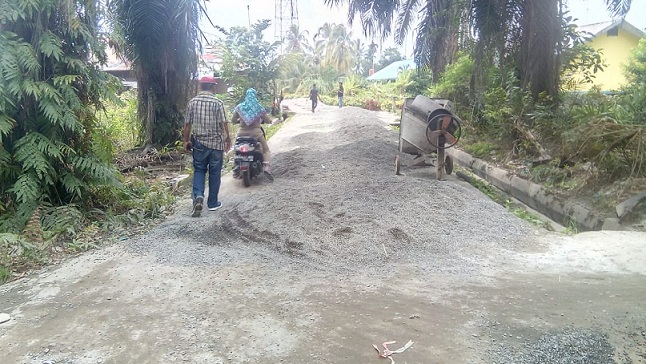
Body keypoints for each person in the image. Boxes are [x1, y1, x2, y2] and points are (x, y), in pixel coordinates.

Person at [183, 76, 231, 217]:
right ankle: (212, 203)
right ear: (213, 87)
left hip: (198, 143)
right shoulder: (218, 102)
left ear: (200, 87)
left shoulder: (192, 102)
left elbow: (187, 125)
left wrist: (186, 140)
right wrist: (228, 138)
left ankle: (198, 196)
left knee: (199, 170)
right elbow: (224, 123)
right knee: (215, 173)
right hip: (216, 144)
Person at [231, 88, 274, 182]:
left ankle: (236, 166)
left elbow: (233, 120)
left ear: (246, 96)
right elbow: (267, 120)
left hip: (241, 134)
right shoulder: (258, 107)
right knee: (266, 150)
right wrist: (269, 121)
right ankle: (266, 167)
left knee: (236, 150)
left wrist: (238, 120)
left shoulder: (239, 107)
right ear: (255, 96)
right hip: (256, 134)